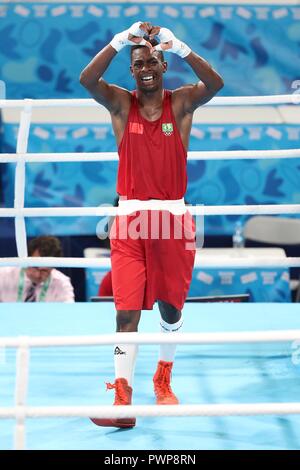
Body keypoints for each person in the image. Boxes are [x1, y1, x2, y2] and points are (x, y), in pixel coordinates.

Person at [80, 21, 223, 428]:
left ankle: (164, 378)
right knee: (125, 312)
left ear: (163, 65)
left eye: (153, 61)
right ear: (132, 70)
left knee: (171, 306)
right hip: (128, 221)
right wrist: (118, 40)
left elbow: (215, 83)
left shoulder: (180, 104)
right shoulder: (120, 105)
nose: (145, 68)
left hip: (173, 221)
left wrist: (181, 46)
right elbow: (87, 78)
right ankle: (123, 401)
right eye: (138, 62)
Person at [0, 236, 75, 302]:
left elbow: (69, 312)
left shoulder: (62, 283)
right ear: (27, 259)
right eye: (34, 267)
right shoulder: (3, 275)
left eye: (44, 271)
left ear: (53, 268)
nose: (37, 274)